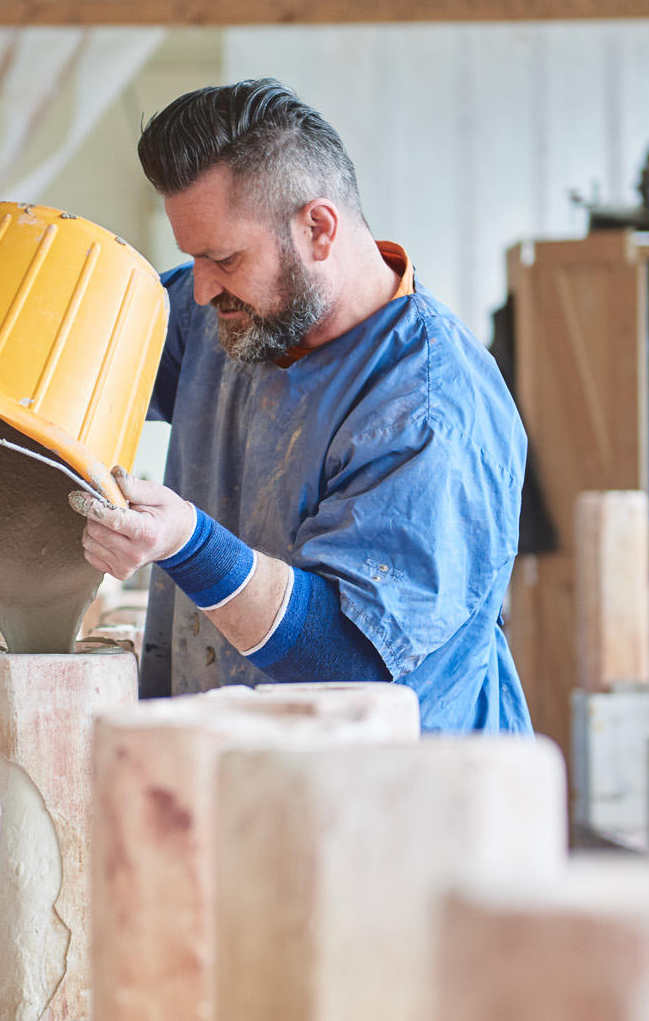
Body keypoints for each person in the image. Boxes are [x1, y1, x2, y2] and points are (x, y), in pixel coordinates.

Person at [69, 78, 530, 734]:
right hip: (243, 777)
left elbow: (345, 662)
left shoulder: (426, 411)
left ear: (318, 228)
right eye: (192, 259)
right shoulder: (226, 314)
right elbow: (76, 376)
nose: (199, 290)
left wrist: (186, 542)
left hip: (399, 803)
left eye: (223, 258)